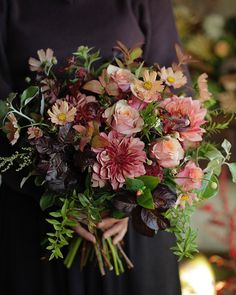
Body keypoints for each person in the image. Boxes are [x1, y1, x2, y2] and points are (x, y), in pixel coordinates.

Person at [0, 0, 182, 294]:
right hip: (38, 217)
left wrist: (127, 203)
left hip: (130, 221)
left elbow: (171, 94)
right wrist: (57, 197)